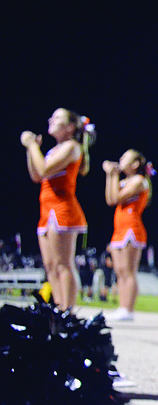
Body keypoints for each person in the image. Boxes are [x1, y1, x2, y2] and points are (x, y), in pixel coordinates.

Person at [20, 108, 95, 310]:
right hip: (47, 209)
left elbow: (44, 169)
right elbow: (37, 176)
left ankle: (68, 311)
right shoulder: (55, 149)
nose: (50, 119)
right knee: (51, 266)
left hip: (63, 209)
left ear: (70, 127)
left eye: (57, 117)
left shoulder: (72, 147)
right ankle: (59, 308)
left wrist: (30, 145)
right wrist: (31, 149)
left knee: (63, 264)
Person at [104, 150, 154, 321]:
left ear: (135, 164)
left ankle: (128, 309)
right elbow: (110, 199)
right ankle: (122, 307)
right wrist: (110, 176)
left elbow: (116, 198)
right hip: (119, 228)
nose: (120, 159)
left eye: (124, 157)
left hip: (132, 228)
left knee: (128, 271)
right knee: (119, 271)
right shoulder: (125, 181)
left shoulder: (139, 181)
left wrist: (113, 176)